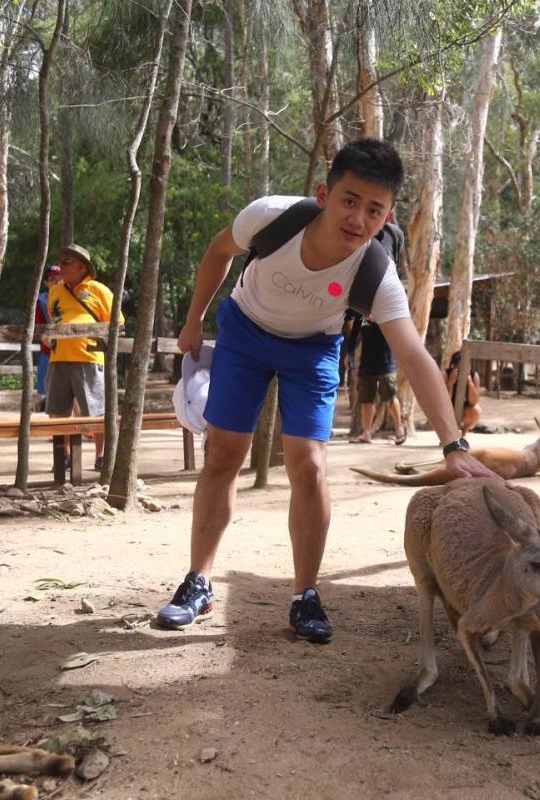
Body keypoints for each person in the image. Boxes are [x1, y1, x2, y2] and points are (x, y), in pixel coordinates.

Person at [157, 138, 498, 641]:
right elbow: (218, 250)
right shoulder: (270, 217)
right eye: (350, 201)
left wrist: (453, 445)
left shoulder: (377, 276)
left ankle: (305, 595)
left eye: (374, 209)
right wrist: (193, 321)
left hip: (313, 349)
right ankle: (197, 581)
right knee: (224, 454)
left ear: (387, 217)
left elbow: (414, 356)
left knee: (309, 464)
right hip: (245, 332)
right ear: (324, 194)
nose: (359, 219)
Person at [46, 244, 121, 471]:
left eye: (67, 262)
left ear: (81, 267)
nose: (62, 267)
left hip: (89, 359)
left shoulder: (100, 291)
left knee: (96, 412)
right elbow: (53, 318)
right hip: (58, 359)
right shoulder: (55, 291)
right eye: (61, 261)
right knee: (58, 412)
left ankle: (101, 456)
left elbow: (118, 324)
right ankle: (63, 458)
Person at [348, 318, 406, 444]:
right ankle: (366, 433)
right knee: (366, 399)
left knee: (390, 396)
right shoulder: (361, 313)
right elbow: (353, 336)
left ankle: (399, 428)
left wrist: (375, 319)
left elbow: (396, 330)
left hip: (386, 362)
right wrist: (350, 355)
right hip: (366, 363)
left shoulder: (385, 311)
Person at [34, 265, 63, 408]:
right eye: (53, 279)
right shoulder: (40, 302)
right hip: (49, 351)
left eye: (60, 278)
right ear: (46, 282)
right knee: (47, 395)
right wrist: (55, 347)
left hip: (73, 353)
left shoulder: (74, 297)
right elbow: (41, 332)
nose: (57, 282)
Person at [445, 350, 482, 437]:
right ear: (453, 366)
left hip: (465, 410)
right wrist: (450, 383)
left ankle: (463, 433)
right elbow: (442, 401)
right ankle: (446, 436)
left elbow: (474, 402)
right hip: (447, 409)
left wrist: (470, 383)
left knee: (476, 410)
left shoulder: (474, 376)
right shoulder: (445, 374)